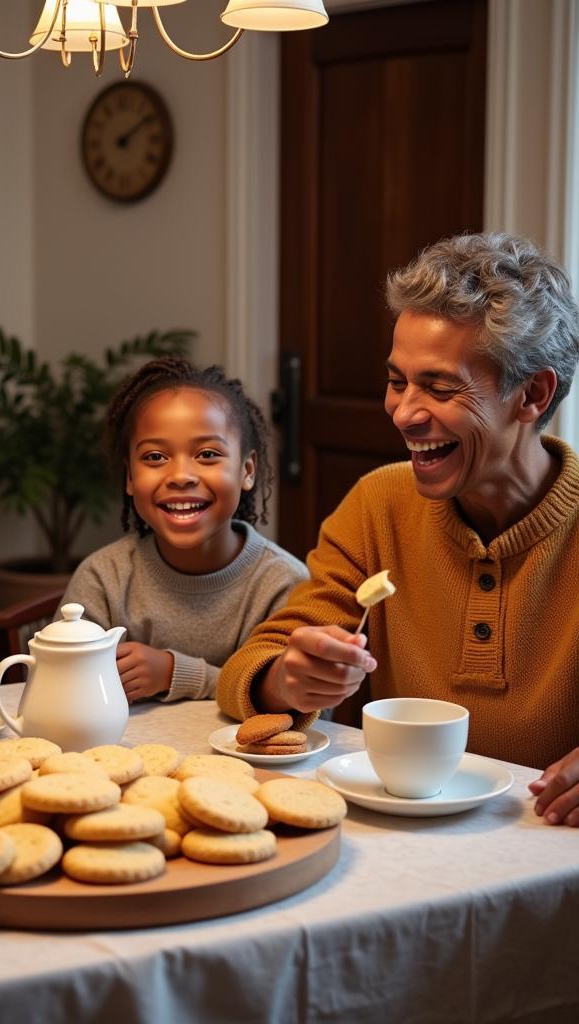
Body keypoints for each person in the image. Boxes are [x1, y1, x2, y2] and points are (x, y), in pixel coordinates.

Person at [216, 232, 579, 827]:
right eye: (396, 380)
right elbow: (246, 670)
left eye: (439, 387)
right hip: (387, 849)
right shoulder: (378, 504)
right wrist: (288, 679)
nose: (404, 412)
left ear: (532, 394)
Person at [62, 357, 307, 703]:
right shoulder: (104, 579)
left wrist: (176, 673)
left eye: (207, 454)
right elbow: (56, 687)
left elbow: (307, 706)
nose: (180, 476)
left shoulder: (282, 584)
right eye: (155, 457)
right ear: (130, 477)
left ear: (247, 470)